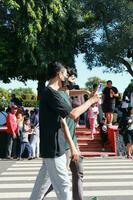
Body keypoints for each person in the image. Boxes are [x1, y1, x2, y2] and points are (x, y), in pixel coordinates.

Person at [30, 61, 99, 200]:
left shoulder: (52, 92)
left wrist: (86, 93)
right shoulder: (51, 94)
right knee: (63, 187)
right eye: (65, 74)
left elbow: (63, 122)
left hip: (55, 148)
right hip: (54, 149)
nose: (67, 78)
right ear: (59, 74)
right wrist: (91, 101)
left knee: (39, 191)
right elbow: (73, 114)